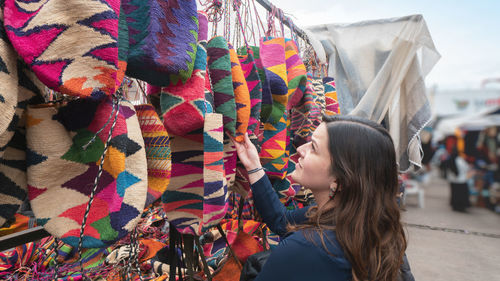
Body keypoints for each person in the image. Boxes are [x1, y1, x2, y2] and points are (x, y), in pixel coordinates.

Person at [233, 115, 413, 281]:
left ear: (341, 178)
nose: (301, 149)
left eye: (313, 147)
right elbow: (282, 221)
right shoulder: (375, 230)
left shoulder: (303, 249)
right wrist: (254, 166)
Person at [443, 147, 471, 212]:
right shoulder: (460, 160)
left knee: (454, 194)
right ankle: (461, 207)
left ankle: (455, 206)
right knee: (461, 195)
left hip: (452, 180)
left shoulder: (450, 159)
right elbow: (466, 168)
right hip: (461, 180)